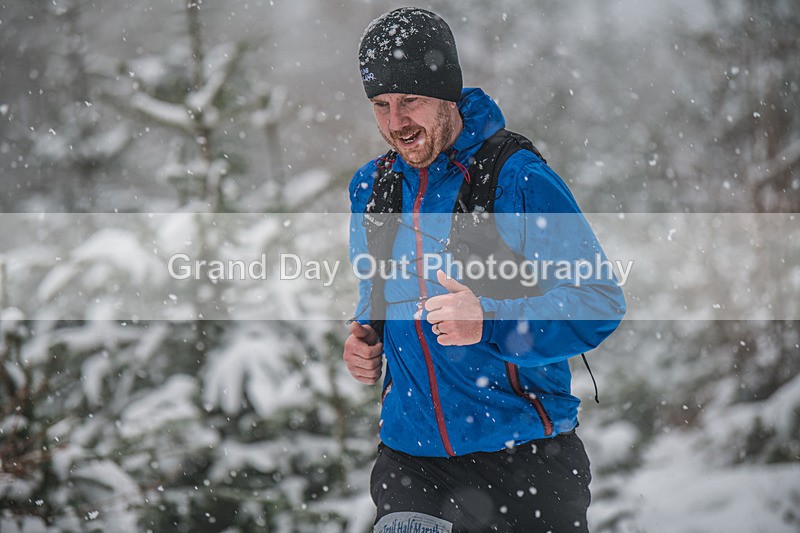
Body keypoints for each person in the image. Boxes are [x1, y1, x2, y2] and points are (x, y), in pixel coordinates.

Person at [343, 7, 626, 532]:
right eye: (381, 104)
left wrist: (490, 320)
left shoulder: (516, 178)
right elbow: (375, 292)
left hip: (524, 460)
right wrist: (365, 336)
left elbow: (598, 301)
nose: (396, 122)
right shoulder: (373, 186)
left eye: (410, 101)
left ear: (447, 94)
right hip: (412, 462)